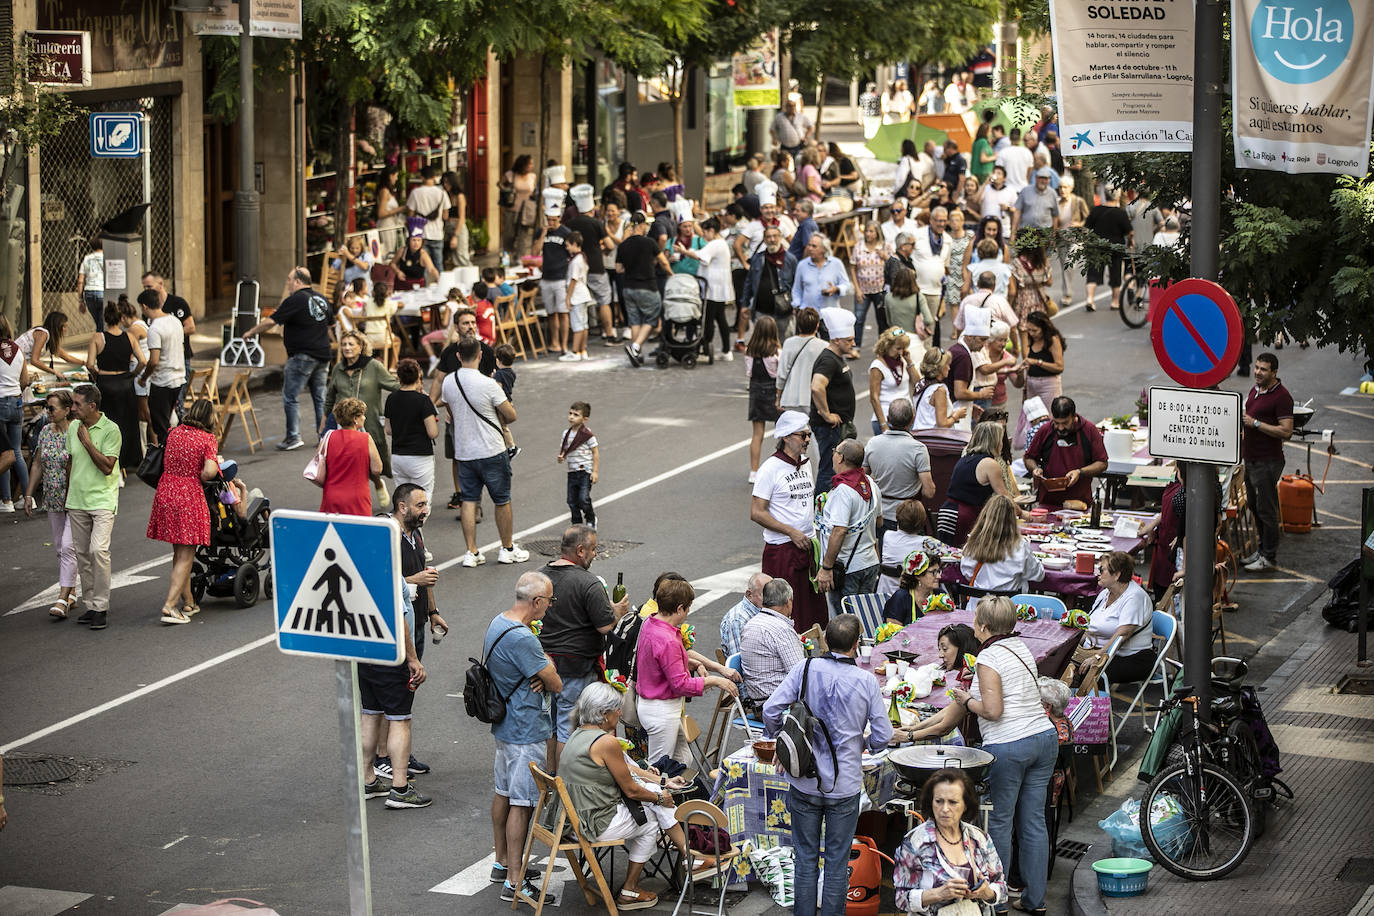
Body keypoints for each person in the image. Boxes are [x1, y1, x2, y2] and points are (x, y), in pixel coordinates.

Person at [763, 614, 893, 916]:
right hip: (844, 785)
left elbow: (771, 709)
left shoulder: (805, 668)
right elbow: (884, 735)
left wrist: (780, 742)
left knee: (805, 859)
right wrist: (864, 744)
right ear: (857, 644)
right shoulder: (866, 681)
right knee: (837, 862)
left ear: (826, 641)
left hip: (804, 779)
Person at [561, 681, 711, 911]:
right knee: (650, 818)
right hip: (592, 824)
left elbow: (628, 772)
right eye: (616, 709)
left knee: (650, 802)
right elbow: (631, 789)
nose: (620, 714)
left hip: (571, 820)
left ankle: (690, 857)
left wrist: (658, 787)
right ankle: (638, 885)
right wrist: (661, 797)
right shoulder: (605, 742)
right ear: (603, 714)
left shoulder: (576, 735)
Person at [952, 597, 1058, 916]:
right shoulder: (1021, 647)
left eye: (975, 622)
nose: (973, 626)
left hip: (1009, 745)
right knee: (1033, 822)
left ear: (983, 627)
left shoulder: (988, 657)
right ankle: (1034, 900)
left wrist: (967, 700)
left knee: (1000, 822)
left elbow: (993, 711)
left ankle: (996, 903)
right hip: (1044, 738)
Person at [481, 570, 562, 904]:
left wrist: (544, 669)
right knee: (523, 804)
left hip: (505, 724)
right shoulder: (524, 637)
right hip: (525, 728)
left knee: (503, 793)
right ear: (537, 601)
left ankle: (502, 862)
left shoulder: (499, 623)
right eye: (549, 601)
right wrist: (546, 672)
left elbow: (543, 669)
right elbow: (555, 682)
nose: (550, 607)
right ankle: (515, 880)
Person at [538, 524, 631, 773]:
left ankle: (550, 777)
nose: (595, 553)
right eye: (592, 549)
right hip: (576, 669)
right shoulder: (588, 583)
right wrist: (618, 612)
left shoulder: (539, 577)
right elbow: (604, 626)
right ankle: (565, 784)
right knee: (568, 729)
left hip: (543, 667)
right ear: (580, 550)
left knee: (551, 727)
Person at [439, 337, 527, 565]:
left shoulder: (449, 382)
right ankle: (507, 549)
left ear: (458, 356)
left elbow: (450, 409)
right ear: (480, 355)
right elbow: (511, 415)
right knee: (502, 499)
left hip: (464, 451)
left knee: (469, 500)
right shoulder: (488, 384)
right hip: (491, 449)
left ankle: (472, 552)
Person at [637, 576, 739, 764]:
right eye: (688, 607)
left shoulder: (650, 623)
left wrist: (690, 663)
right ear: (679, 608)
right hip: (662, 710)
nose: (688, 612)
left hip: (653, 705)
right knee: (659, 768)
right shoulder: (668, 639)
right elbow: (681, 685)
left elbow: (660, 663)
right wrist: (717, 680)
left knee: (684, 759)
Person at [892, 768, 1008, 914]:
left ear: (965, 805)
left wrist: (986, 892)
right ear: (931, 802)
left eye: (953, 802)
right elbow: (901, 899)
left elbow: (1001, 888)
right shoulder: (915, 842)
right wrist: (939, 893)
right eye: (939, 801)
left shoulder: (979, 838)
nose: (945, 809)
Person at [751, 411, 827, 633]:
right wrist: (791, 531)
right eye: (802, 435)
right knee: (785, 613)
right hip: (782, 550)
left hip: (808, 548)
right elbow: (757, 512)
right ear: (785, 437)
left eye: (808, 435)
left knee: (814, 615)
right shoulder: (770, 469)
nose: (807, 440)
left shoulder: (806, 464)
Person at [147, 398, 221, 625]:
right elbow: (209, 472)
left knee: (179, 552)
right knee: (187, 554)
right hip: (188, 494)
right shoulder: (207, 439)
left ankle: (188, 601)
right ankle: (170, 606)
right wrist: (209, 468)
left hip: (166, 491)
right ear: (209, 417)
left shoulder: (174, 432)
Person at [243, 267, 333, 451]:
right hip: (323, 354)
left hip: (303, 355)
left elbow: (271, 321)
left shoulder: (295, 300)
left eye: (289, 280)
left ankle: (293, 436)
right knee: (320, 396)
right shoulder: (322, 299)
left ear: (299, 281)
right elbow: (330, 324)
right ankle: (324, 436)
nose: (288, 284)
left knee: (291, 396)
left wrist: (251, 332)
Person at [66, 385, 121, 630]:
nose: (72, 408)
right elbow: (70, 463)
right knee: (83, 555)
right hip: (77, 500)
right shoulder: (73, 428)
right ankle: (91, 605)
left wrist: (88, 443)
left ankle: (101, 606)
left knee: (98, 550)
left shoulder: (111, 430)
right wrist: (66, 496)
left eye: (77, 404)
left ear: (92, 406)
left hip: (102, 500)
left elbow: (108, 467)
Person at [324, 330, 400, 507]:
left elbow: (393, 384)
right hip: (340, 424)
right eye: (344, 344)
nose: (346, 348)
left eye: (351, 344)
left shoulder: (373, 366)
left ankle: (378, 483)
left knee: (371, 461)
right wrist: (323, 422)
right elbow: (329, 398)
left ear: (361, 347)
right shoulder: (338, 368)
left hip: (368, 422)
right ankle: (346, 498)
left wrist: (413, 388)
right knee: (340, 462)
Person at [24, 390, 77, 617]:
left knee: (68, 547)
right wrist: (28, 495)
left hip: (75, 499)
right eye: (47, 408)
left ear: (67, 410)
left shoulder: (76, 432)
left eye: (52, 408)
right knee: (60, 548)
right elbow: (37, 464)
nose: (48, 412)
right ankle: (72, 591)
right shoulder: (45, 431)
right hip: (53, 497)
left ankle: (62, 599)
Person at [1241, 352, 1294, 571]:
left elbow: (1286, 431)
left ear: (1274, 372)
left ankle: (1269, 557)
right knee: (1254, 506)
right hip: (1251, 458)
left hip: (1267, 461)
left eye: (1263, 369)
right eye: (1256, 367)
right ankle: (1262, 550)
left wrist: (1255, 424)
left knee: (1266, 509)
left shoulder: (1282, 397)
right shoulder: (1255, 390)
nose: (1257, 372)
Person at [817, 439, 882, 612]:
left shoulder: (843, 491)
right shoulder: (869, 484)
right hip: (869, 563)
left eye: (835, 451)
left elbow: (839, 531)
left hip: (848, 569)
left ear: (840, 458)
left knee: (844, 626)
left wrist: (826, 568)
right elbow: (879, 520)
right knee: (865, 618)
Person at [937, 421, 1019, 546]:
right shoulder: (990, 464)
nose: (1002, 445)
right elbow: (1004, 497)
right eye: (1001, 440)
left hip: (946, 513)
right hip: (962, 517)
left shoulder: (965, 459)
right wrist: (1024, 514)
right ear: (994, 442)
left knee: (949, 557)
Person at [864, 398, 935, 534]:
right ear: (912, 419)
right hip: (908, 519)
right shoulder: (918, 449)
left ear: (888, 419)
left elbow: (863, 478)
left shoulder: (873, 443)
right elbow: (929, 492)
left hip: (879, 514)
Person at [1024, 396, 1108, 508]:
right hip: (1048, 502)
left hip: (1079, 502)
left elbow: (1102, 463)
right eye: (1056, 423)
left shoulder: (1089, 430)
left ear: (1074, 416)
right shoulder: (1045, 430)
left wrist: (1080, 472)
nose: (1060, 428)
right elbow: (1028, 457)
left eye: (1065, 423)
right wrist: (1035, 469)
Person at [1086, 550, 1156, 682]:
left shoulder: (1134, 597)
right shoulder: (1105, 593)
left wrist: (1096, 657)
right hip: (1100, 651)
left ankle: (1088, 702)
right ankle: (1074, 701)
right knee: (1062, 663)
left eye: (1102, 569)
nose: (1097, 573)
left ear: (1117, 575)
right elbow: (1088, 626)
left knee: (1086, 673)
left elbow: (1122, 635)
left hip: (1130, 658)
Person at [810, 309, 858, 492]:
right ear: (836, 339)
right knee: (829, 471)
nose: (853, 344)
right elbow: (816, 386)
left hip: (839, 426)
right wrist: (826, 414)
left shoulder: (836, 358)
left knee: (835, 469)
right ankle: (821, 511)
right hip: (830, 427)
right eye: (849, 340)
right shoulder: (828, 360)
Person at [676, 216, 735, 359]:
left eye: (704, 232)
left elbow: (700, 255)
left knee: (708, 319)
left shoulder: (716, 244)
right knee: (720, 318)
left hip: (713, 288)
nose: (703, 235)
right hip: (717, 286)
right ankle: (726, 351)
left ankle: (705, 350)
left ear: (711, 230)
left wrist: (683, 251)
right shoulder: (720, 243)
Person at [739, 577, 806, 701]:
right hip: (779, 704)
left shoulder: (750, 624)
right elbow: (800, 675)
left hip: (758, 701)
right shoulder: (782, 629)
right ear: (788, 602)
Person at [960, 495, 1044, 593]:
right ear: (1013, 519)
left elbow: (967, 573)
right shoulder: (1020, 546)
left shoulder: (973, 543)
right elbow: (1038, 575)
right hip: (1010, 606)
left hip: (978, 605)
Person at [318, 397, 384, 516]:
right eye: (362, 415)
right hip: (357, 497)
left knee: (332, 532)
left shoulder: (328, 436)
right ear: (355, 419)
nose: (364, 417)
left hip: (332, 495)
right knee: (359, 533)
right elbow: (377, 469)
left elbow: (318, 462)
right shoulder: (365, 438)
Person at [137, 289, 186, 447]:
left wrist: (143, 378)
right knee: (170, 423)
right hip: (178, 379)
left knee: (161, 427)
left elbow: (153, 361)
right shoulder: (175, 321)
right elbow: (182, 348)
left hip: (162, 381)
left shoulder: (154, 328)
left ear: (144, 306)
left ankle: (168, 461)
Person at [617, 213, 666, 367]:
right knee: (652, 317)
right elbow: (663, 261)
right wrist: (671, 274)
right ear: (641, 224)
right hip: (647, 286)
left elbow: (618, 269)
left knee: (634, 320)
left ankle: (636, 354)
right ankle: (636, 346)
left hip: (628, 287)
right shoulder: (650, 242)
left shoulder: (623, 245)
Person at [384, 358, 438, 498]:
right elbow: (432, 432)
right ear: (418, 377)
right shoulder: (423, 401)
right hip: (420, 455)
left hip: (398, 455)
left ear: (399, 377)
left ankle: (403, 520)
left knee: (403, 498)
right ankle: (419, 521)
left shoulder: (391, 399)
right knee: (422, 498)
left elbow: (388, 430)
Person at [1015, 312, 1065, 445]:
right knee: (1032, 419)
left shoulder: (1052, 339)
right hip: (1031, 382)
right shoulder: (1029, 338)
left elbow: (1059, 366)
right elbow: (1026, 358)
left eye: (1035, 330)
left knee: (1048, 419)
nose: (1031, 333)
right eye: (1029, 330)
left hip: (1048, 384)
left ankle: (1049, 447)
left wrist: (1038, 362)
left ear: (1043, 327)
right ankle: (1033, 446)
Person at [878, 499, 945, 598]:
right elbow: (951, 554)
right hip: (911, 596)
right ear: (922, 521)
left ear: (898, 518)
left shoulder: (888, 536)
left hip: (884, 592)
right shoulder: (926, 542)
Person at [741, 225, 798, 337]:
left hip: (784, 314)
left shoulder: (790, 259)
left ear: (780, 237)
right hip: (761, 313)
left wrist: (797, 306)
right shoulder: (757, 259)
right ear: (764, 239)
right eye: (768, 237)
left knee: (785, 345)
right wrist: (744, 304)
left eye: (775, 236)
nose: (772, 240)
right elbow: (748, 283)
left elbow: (797, 285)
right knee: (763, 346)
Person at [1082, 189, 1134, 311]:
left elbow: (1086, 228)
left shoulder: (1096, 210)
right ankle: (1115, 302)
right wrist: (1131, 240)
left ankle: (1090, 299)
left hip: (1096, 246)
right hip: (1115, 248)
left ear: (1105, 196)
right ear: (1117, 197)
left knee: (1093, 274)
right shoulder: (1121, 213)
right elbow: (1129, 232)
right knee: (1115, 274)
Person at [746, 315, 782, 481]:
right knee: (781, 432)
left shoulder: (750, 351)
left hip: (755, 391)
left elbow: (749, 373)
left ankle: (754, 471)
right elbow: (780, 374)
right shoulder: (776, 352)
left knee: (757, 434)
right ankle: (782, 466)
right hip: (772, 391)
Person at [911, 207, 952, 347]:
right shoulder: (917, 235)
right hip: (917, 289)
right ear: (931, 220)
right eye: (938, 220)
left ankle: (925, 362)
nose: (941, 224)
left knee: (930, 327)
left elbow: (946, 264)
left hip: (935, 291)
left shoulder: (947, 239)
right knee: (914, 327)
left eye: (944, 221)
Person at [867, 327, 916, 435]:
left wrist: (909, 362)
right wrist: (883, 425)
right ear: (887, 346)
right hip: (887, 419)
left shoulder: (902, 361)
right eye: (898, 348)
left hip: (907, 419)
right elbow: (874, 398)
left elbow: (918, 383)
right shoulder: (877, 366)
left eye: (903, 348)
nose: (901, 352)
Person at [882, 549, 950, 626]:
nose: (939, 576)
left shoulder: (940, 595)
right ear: (918, 575)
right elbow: (893, 633)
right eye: (933, 572)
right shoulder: (901, 598)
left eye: (938, 571)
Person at [557, 400, 599, 527]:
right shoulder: (566, 434)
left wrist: (595, 471)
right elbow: (565, 449)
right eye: (570, 413)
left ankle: (591, 518)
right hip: (572, 472)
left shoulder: (587, 435)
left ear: (584, 419)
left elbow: (595, 452)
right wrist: (561, 457)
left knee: (583, 499)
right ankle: (577, 524)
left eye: (576, 415)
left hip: (585, 471)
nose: (571, 417)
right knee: (571, 501)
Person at [792, 234, 852, 314]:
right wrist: (797, 306)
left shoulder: (836, 264)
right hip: (808, 316)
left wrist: (836, 289)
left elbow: (847, 285)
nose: (810, 248)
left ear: (823, 249)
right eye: (809, 245)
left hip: (830, 316)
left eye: (814, 246)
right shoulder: (802, 265)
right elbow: (796, 290)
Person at [405, 165, 449, 269]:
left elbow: (410, 215)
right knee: (438, 263)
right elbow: (445, 216)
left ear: (422, 177)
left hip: (420, 234)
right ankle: (441, 284)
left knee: (422, 264)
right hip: (437, 233)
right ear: (434, 177)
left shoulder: (415, 193)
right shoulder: (442, 193)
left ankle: (424, 284)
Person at [16, 311, 84, 379]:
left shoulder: (49, 337)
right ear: (57, 326)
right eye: (64, 327)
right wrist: (54, 372)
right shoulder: (42, 334)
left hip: (18, 364)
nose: (65, 330)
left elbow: (67, 357)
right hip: (13, 362)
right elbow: (34, 360)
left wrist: (85, 363)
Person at [910, 347, 965, 429]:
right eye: (947, 365)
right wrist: (956, 415)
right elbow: (942, 424)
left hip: (919, 433)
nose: (949, 368)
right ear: (941, 367)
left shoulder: (921, 383)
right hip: (933, 438)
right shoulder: (939, 390)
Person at [561, 230, 594, 361]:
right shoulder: (581, 258)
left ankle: (575, 351)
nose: (567, 248)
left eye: (568, 245)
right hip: (583, 294)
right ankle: (582, 349)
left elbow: (573, 280)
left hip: (577, 295)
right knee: (583, 324)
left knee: (577, 325)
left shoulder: (576, 261)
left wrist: (568, 298)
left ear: (575, 244)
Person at [720, 571, 770, 658]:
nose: (771, 600)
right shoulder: (737, 620)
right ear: (749, 594)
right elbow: (740, 660)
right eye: (765, 595)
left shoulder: (765, 609)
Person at [77, 239, 105, 328]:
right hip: (102, 291)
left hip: (89, 292)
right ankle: (100, 339)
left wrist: (81, 300)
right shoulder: (107, 257)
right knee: (102, 323)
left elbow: (80, 280)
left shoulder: (86, 258)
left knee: (98, 322)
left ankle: (99, 336)